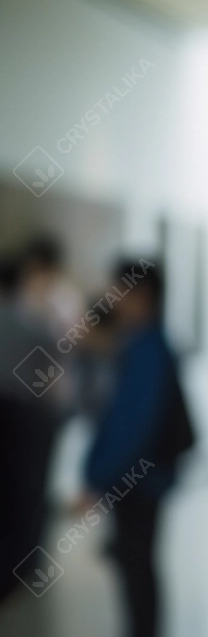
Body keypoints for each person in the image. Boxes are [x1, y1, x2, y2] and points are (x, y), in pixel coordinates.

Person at [79, 258, 194, 637]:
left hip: (139, 486)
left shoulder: (148, 349)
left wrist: (99, 480)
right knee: (136, 577)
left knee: (139, 580)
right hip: (137, 484)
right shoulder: (141, 345)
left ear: (140, 295)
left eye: (119, 291)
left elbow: (134, 427)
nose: (112, 299)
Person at [0, 255, 65, 604]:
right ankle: (27, 563)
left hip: (15, 417)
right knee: (29, 493)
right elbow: (54, 375)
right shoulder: (33, 325)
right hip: (27, 418)